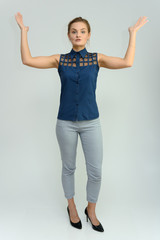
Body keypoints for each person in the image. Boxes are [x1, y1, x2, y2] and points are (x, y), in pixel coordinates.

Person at [15, 13, 149, 232]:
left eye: (82, 31)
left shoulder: (96, 58)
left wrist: (133, 34)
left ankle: (91, 210)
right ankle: (72, 208)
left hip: (91, 123)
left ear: (88, 35)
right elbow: (27, 60)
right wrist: (23, 32)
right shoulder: (60, 59)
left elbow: (127, 62)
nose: (78, 34)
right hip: (65, 123)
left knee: (95, 171)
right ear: (68, 35)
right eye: (74, 31)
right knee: (68, 168)